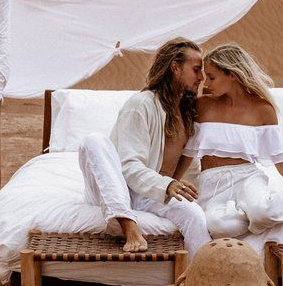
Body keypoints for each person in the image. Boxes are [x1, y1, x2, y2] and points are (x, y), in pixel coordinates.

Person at [176, 43, 283, 238]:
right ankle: (246, 210)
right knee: (220, 227)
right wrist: (168, 184)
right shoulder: (201, 106)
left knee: (264, 213)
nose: (206, 83)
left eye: (211, 77)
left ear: (232, 75)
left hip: (247, 177)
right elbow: (187, 154)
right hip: (212, 182)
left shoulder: (263, 110)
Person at [77, 38, 211, 257]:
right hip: (117, 189)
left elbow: (191, 165)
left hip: (152, 195)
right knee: (94, 141)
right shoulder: (141, 105)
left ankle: (201, 273)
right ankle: (128, 224)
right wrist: (167, 184)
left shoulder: (188, 113)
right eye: (196, 70)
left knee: (195, 215)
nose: (202, 77)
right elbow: (128, 166)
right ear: (175, 68)